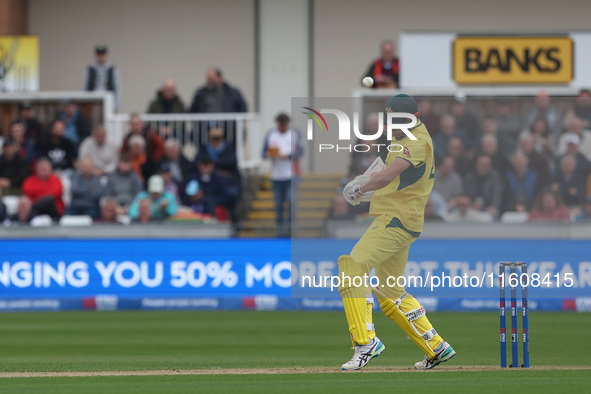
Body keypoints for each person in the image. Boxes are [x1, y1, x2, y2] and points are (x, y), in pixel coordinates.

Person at [338, 94, 454, 371]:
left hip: (395, 220)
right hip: (401, 219)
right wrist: (368, 181)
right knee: (391, 290)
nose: (388, 126)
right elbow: (392, 177)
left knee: (351, 267)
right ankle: (435, 346)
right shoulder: (407, 138)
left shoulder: (416, 140)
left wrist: (360, 187)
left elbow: (389, 175)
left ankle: (365, 343)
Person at [262, 113, 304, 235]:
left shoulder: (295, 134)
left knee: (291, 201)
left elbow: (300, 152)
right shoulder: (271, 134)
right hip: (276, 175)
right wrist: (269, 154)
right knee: (278, 203)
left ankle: (291, 227)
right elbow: (264, 152)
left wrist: (287, 156)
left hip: (291, 174)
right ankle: (280, 228)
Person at [189, 67, 247, 147]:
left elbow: (243, 108)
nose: (209, 80)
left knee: (238, 131)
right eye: (208, 78)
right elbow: (193, 110)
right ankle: (202, 154)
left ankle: (231, 154)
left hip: (228, 123)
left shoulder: (233, 92)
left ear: (219, 78)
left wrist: (239, 120)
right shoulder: (200, 93)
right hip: (205, 123)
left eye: (212, 77)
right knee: (196, 131)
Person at [83, 44, 121, 111]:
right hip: (93, 99)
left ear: (107, 54)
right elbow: (84, 86)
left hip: (108, 100)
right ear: (96, 55)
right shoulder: (90, 69)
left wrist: (116, 105)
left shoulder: (112, 69)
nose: (101, 57)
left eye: (103, 54)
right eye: (99, 54)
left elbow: (117, 88)